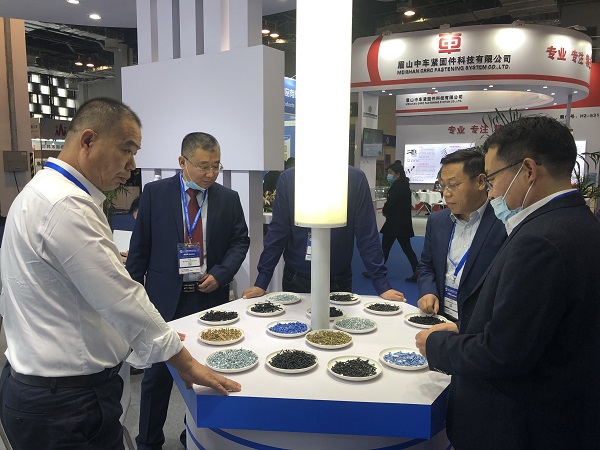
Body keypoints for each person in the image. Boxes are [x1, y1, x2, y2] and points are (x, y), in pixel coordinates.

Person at [0, 98, 241, 450]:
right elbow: (120, 296)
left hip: (43, 390)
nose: (132, 166)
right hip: (67, 402)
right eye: (126, 150)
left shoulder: (38, 192)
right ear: (88, 141)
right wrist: (184, 361)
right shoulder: (67, 205)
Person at [416, 116, 600, 449]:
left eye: (493, 178)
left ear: (528, 170)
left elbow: (503, 354)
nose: (492, 191)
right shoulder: (578, 221)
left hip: (519, 425)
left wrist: (437, 346)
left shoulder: (540, 241)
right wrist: (468, 328)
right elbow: (532, 325)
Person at [126, 132, 250, 449]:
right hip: (164, 300)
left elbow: (240, 241)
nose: (210, 173)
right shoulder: (155, 194)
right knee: (156, 377)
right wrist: (130, 301)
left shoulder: (228, 198)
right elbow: (139, 250)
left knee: (204, 371)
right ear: (182, 162)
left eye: (216, 166)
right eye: (203, 166)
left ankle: (191, 433)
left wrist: (221, 274)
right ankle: (149, 441)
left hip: (209, 298)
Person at [242, 165, 405, 301]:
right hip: (297, 277)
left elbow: (367, 234)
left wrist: (381, 284)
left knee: (338, 328)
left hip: (338, 278)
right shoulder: (290, 179)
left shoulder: (354, 179)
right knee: (296, 328)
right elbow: (278, 233)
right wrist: (262, 281)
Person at [417, 149, 506, 322]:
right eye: (442, 185)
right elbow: (426, 266)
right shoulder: (437, 221)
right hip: (439, 317)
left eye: (453, 185)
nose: (446, 193)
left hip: (479, 325)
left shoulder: (503, 224)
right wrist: (428, 291)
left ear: (481, 182)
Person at [379, 160, 419, 282]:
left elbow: (391, 203)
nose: (388, 175)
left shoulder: (398, 187)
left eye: (390, 172)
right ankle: (417, 271)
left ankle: (377, 270)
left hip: (394, 224)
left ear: (397, 174)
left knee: (385, 248)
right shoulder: (404, 185)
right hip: (401, 224)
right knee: (406, 248)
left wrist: (385, 210)